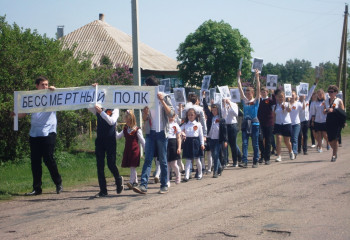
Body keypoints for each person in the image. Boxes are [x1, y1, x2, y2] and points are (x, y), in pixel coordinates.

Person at [14, 76, 62, 196]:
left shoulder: (52, 96)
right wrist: (14, 115)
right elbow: (23, 114)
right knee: (35, 162)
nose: (45, 87)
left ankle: (58, 182)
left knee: (48, 158)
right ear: (37, 86)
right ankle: (37, 188)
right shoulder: (32, 98)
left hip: (48, 132)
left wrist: (53, 89)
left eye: (46, 84)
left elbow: (61, 95)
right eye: (43, 85)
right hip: (35, 133)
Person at [133, 76, 174, 194]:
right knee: (148, 159)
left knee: (163, 159)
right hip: (150, 133)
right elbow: (144, 118)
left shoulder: (165, 97)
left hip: (162, 133)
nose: (145, 88)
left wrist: (161, 101)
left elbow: (171, 113)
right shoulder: (145, 98)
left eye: (146, 85)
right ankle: (143, 185)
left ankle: (164, 184)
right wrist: (145, 113)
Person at [89, 84, 124, 197]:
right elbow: (87, 105)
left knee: (110, 164)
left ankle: (118, 179)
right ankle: (103, 190)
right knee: (100, 165)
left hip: (110, 140)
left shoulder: (115, 108)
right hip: (100, 140)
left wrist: (101, 112)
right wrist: (93, 90)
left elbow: (111, 121)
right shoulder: (99, 107)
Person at [237, 69, 261, 168]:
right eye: (246, 92)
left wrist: (257, 77)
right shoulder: (244, 101)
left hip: (255, 124)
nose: (247, 94)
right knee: (245, 143)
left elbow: (259, 89)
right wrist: (238, 77)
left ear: (252, 93)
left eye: (249, 92)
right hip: (245, 124)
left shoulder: (256, 101)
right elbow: (239, 88)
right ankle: (245, 161)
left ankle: (256, 160)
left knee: (255, 143)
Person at [116, 110, 145, 190]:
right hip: (128, 150)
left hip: (135, 151)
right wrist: (114, 129)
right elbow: (118, 137)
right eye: (126, 121)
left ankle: (131, 182)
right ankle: (135, 181)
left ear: (132, 120)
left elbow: (142, 141)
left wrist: (146, 150)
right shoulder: (125, 129)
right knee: (132, 167)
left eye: (128, 121)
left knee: (133, 166)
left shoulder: (137, 130)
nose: (127, 122)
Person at [180, 108, 205, 181]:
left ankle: (200, 173)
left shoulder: (198, 124)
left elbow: (201, 135)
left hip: (195, 142)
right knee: (188, 160)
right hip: (188, 142)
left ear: (195, 116)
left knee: (197, 159)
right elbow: (179, 129)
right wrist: (182, 132)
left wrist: (202, 144)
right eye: (189, 115)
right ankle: (186, 176)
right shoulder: (185, 124)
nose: (190, 116)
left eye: (192, 115)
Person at [325, 85, 345, 162]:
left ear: (336, 92)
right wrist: (325, 110)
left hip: (337, 122)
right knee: (329, 139)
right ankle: (335, 151)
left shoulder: (339, 101)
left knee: (335, 138)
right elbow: (324, 109)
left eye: (331, 92)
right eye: (329, 92)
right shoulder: (326, 100)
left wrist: (334, 110)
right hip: (329, 120)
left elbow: (342, 112)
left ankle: (334, 154)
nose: (330, 93)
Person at [273, 90, 294, 161]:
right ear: (277, 97)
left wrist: (285, 108)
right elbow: (274, 115)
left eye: (282, 97)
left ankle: (291, 151)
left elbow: (289, 110)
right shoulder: (275, 106)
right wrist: (273, 123)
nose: (280, 98)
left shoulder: (287, 103)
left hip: (286, 124)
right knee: (278, 139)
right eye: (279, 97)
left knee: (286, 141)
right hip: (278, 124)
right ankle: (279, 156)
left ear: (284, 97)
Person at [298, 79, 317, 155]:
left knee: (305, 135)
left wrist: (315, 84)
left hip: (306, 120)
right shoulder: (298, 102)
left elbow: (311, 92)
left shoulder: (307, 100)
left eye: (304, 94)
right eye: (302, 94)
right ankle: (299, 148)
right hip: (299, 120)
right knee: (299, 135)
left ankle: (305, 150)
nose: (303, 96)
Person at [257, 87, 276, 165]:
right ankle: (262, 155)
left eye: (264, 91)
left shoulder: (269, 100)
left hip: (269, 123)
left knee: (268, 141)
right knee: (260, 139)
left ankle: (267, 158)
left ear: (267, 92)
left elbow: (275, 102)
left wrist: (273, 94)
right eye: (262, 92)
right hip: (260, 123)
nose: (263, 93)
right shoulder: (259, 100)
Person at [221, 97, 239, 167]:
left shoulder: (234, 104)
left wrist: (230, 104)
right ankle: (225, 161)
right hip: (225, 125)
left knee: (233, 144)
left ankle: (235, 161)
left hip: (232, 125)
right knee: (225, 144)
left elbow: (235, 114)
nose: (224, 100)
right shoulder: (222, 106)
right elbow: (223, 116)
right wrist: (225, 106)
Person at [167, 115, 182, 185]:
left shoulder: (176, 125)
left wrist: (179, 147)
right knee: (166, 164)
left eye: (172, 116)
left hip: (173, 144)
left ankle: (178, 174)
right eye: (169, 116)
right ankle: (167, 180)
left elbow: (178, 137)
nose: (170, 118)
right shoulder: (164, 124)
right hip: (166, 143)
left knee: (173, 164)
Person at [289, 90, 304, 158]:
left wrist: (303, 100)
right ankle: (291, 151)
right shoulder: (287, 103)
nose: (292, 96)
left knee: (294, 138)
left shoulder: (298, 103)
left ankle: (294, 152)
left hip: (296, 123)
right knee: (290, 139)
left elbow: (303, 108)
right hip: (288, 123)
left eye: (293, 95)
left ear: (295, 96)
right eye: (291, 95)